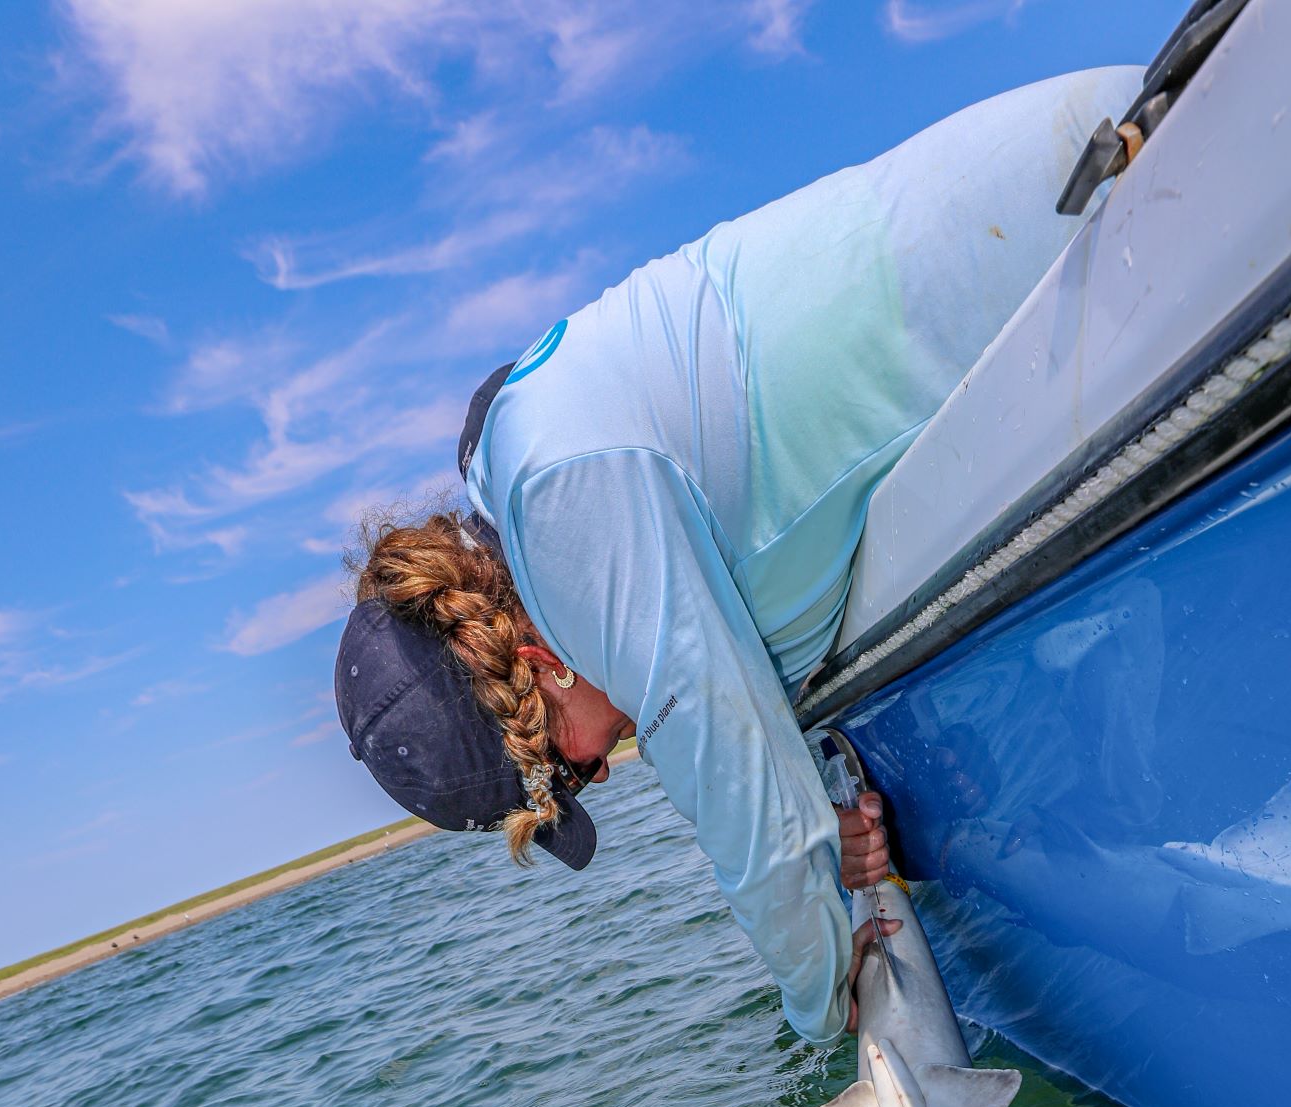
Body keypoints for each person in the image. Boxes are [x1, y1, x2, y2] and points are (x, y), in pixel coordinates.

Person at [336, 69, 1134, 1043]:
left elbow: (729, 787)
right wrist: (811, 817)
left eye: (576, 776)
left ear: (537, 675)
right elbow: (743, 703)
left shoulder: (558, 498)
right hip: (1069, 271)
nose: (605, 770)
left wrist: (823, 1009)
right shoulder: (546, 500)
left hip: (1103, 227)